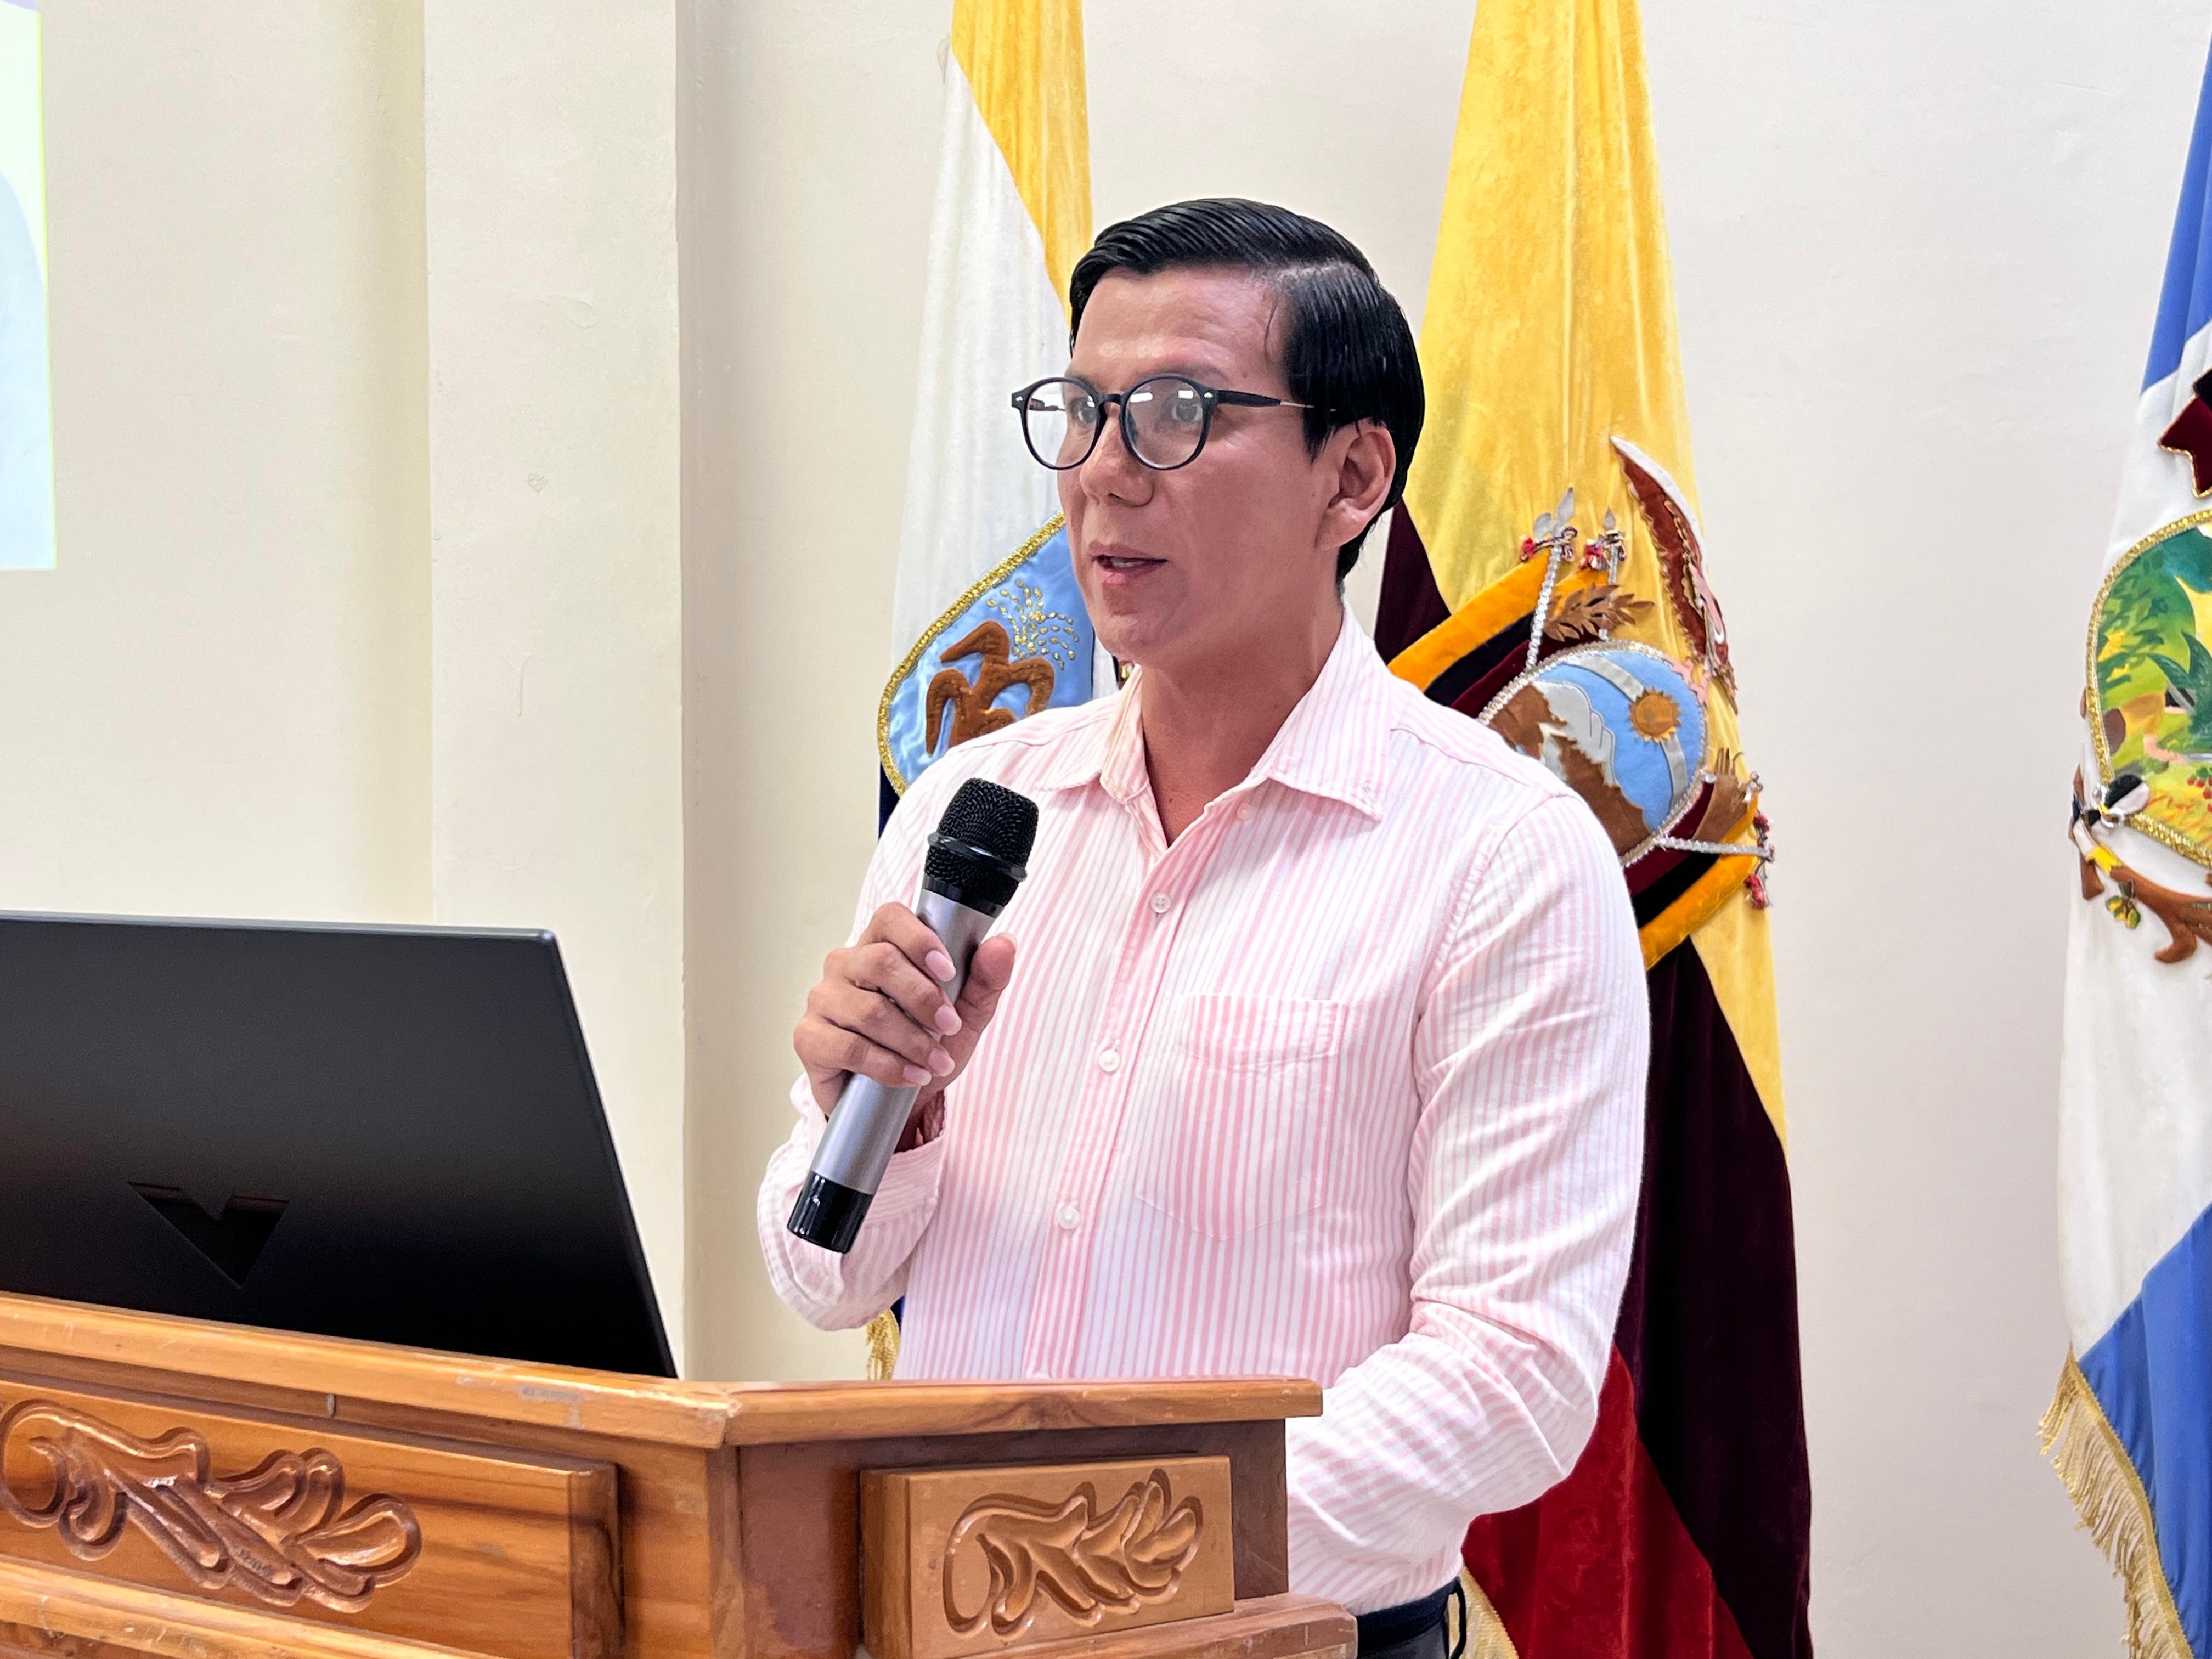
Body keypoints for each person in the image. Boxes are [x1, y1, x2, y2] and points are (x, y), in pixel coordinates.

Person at [758, 199, 1648, 1657]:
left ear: (1350, 476)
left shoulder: (1503, 856)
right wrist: (891, 1119)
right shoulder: (978, 811)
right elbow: (823, 1277)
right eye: (1081, 413)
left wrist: (1096, 1553)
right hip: (942, 1623)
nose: (1106, 473)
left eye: (1176, 415)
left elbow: (1513, 1378)